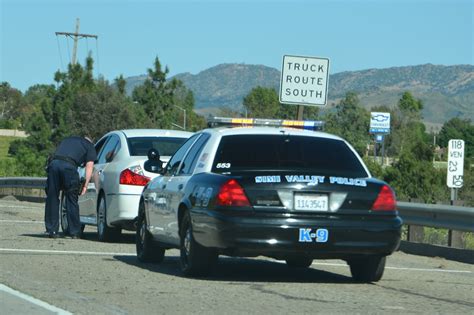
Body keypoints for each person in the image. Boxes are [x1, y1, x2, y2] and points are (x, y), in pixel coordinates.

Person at [44, 136, 96, 239]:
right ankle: (74, 232)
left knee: (52, 197)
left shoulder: (67, 139)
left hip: (54, 165)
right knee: (71, 199)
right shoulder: (90, 146)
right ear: (91, 141)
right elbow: (89, 166)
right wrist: (85, 185)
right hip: (69, 167)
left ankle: (52, 230)